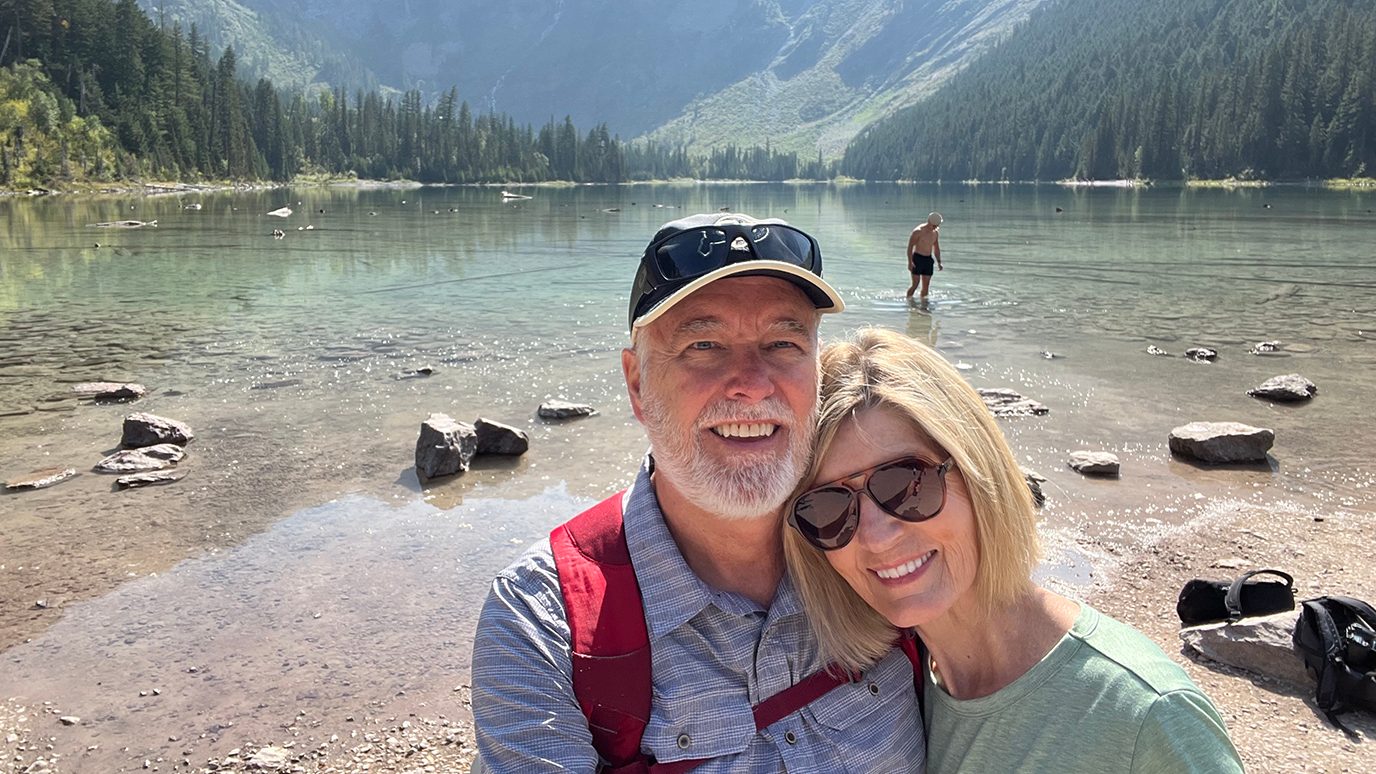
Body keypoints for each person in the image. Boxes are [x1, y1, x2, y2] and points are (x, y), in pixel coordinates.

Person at [470, 216, 925, 773]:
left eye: (783, 342)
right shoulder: (544, 625)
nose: (752, 383)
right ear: (637, 384)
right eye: (703, 344)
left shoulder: (894, 542)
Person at [782, 328, 1244, 773]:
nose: (877, 536)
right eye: (829, 508)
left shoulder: (1145, 715)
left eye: (907, 484)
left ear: (978, 469)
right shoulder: (896, 688)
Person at [905, 212, 943, 303]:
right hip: (917, 259)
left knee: (926, 285)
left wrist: (939, 262)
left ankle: (924, 306)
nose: (936, 227)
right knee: (915, 284)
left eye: (937, 225)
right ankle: (908, 302)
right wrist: (910, 262)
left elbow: (936, 248)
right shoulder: (918, 231)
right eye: (934, 225)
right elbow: (910, 247)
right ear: (930, 222)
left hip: (928, 260)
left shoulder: (935, 232)